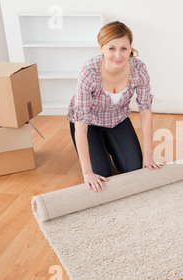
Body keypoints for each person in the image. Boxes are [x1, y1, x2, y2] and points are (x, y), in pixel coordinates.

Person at [67, 21, 163, 192]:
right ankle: (100, 146)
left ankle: (110, 142)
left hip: (117, 120)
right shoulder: (89, 73)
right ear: (101, 48)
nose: (118, 55)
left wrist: (148, 154)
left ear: (130, 48)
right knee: (101, 173)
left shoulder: (139, 69)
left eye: (124, 48)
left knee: (133, 168)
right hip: (89, 124)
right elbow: (81, 126)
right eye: (111, 48)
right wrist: (87, 172)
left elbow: (145, 111)